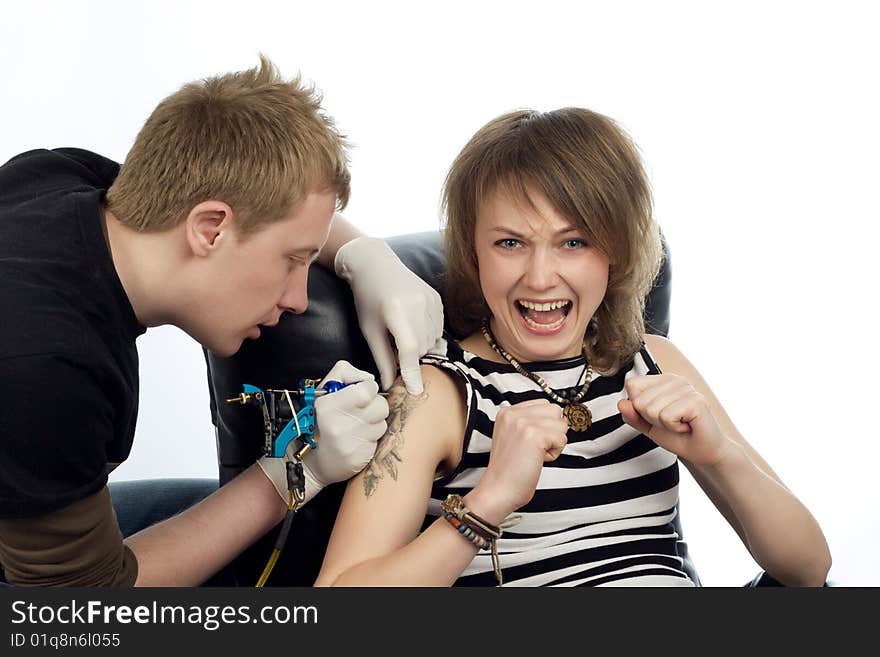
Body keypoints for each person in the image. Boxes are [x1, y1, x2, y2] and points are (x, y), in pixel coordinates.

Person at [314, 107, 832, 587]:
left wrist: (719, 457)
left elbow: (809, 571)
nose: (541, 279)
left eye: (574, 242)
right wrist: (490, 501)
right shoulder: (439, 394)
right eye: (510, 243)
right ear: (474, 252)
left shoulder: (654, 361)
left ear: (617, 251)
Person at [0, 55, 443, 587]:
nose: (299, 300)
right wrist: (297, 474)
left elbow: (240, 196)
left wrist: (364, 254)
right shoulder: (47, 364)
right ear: (210, 230)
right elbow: (84, 607)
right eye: (293, 260)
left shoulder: (57, 179)